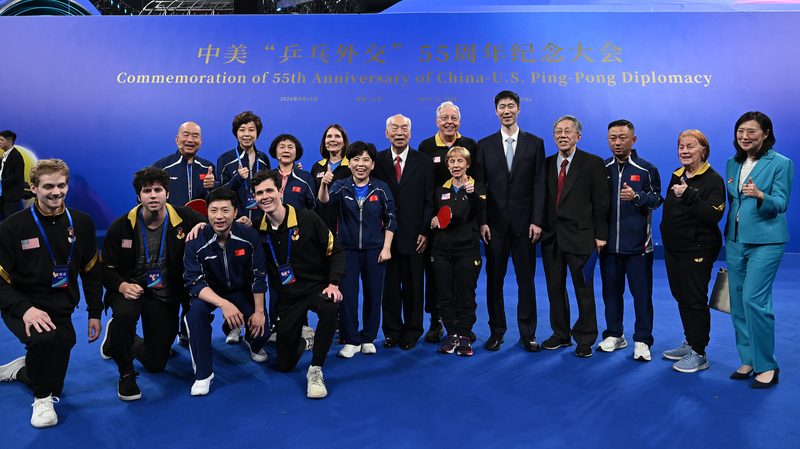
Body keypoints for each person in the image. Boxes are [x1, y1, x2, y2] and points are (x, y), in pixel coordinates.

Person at [0, 159, 103, 428]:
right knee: (44, 341)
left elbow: (91, 272)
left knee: (59, 359)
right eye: (48, 186)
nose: (55, 192)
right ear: (33, 188)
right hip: (23, 306)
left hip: (61, 307)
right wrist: (25, 310)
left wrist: (95, 312)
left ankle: (23, 371)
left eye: (61, 185)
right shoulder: (12, 227)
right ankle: (41, 400)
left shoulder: (82, 222)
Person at [99, 167, 205, 401]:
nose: (153, 195)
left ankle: (116, 337)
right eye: (147, 191)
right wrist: (122, 286)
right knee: (125, 316)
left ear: (167, 193)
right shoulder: (121, 226)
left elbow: (217, 226)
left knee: (157, 363)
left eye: (158, 189)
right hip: (129, 291)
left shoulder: (186, 218)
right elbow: (105, 268)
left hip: (164, 295)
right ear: (139, 196)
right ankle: (126, 373)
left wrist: (204, 226)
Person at [251, 170, 345, 398]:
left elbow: (337, 252)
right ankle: (304, 337)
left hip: (315, 288)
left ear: (280, 191)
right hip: (286, 297)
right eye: (259, 193)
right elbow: (225, 230)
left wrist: (333, 284)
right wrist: (199, 227)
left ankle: (316, 369)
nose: (265, 196)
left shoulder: (308, 219)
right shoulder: (256, 228)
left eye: (269, 190)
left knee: (330, 306)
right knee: (284, 364)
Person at [725, 111, 793, 388]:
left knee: (755, 300)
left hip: (766, 241)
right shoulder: (732, 163)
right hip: (735, 240)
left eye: (752, 131)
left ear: (766, 134)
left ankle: (767, 365)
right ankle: (749, 358)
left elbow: (781, 203)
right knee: (738, 303)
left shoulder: (780, 163)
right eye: (741, 131)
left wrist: (761, 195)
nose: (745, 136)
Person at [474, 90, 546, 352]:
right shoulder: (484, 145)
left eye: (511, 106)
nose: (506, 110)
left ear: (518, 109)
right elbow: (480, 186)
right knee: (494, 281)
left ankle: (528, 333)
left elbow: (539, 184)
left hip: (526, 225)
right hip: (494, 227)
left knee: (526, 281)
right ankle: (497, 331)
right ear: (496, 111)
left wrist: (537, 220)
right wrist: (482, 221)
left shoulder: (535, 143)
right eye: (502, 106)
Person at [183, 188, 269, 396]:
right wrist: (223, 304)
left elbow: (259, 276)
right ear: (207, 213)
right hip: (210, 292)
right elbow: (194, 282)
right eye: (213, 211)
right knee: (195, 313)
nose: (219, 216)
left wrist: (259, 312)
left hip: (241, 291)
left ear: (235, 212)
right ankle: (204, 374)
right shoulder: (195, 241)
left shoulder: (249, 236)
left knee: (263, 330)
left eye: (225, 210)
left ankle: (250, 338)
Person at [540, 115, 609, 358]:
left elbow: (602, 202)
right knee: (554, 289)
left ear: (578, 136)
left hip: (583, 238)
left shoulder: (592, 163)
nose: (563, 135)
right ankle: (561, 334)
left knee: (583, 290)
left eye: (568, 131)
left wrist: (601, 235)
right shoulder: (546, 164)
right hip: (551, 238)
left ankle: (585, 337)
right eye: (558, 131)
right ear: (553, 136)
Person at [318, 141, 396, 358]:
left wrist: (386, 247)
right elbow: (323, 202)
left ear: (372, 164)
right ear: (349, 163)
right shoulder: (341, 185)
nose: (360, 164)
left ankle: (369, 337)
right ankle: (350, 339)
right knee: (348, 296)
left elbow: (391, 218)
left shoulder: (381, 188)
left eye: (365, 160)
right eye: (355, 159)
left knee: (373, 295)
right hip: (346, 251)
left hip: (375, 251)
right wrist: (324, 184)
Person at [660, 129, 725, 373]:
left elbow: (714, 215)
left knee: (695, 300)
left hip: (697, 249)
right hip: (674, 249)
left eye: (691, 147)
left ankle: (700, 353)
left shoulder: (713, 179)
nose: (684, 151)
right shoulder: (677, 174)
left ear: (703, 151)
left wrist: (688, 194)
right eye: (681, 147)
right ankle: (690, 343)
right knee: (681, 297)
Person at [598, 120, 663, 362]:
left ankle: (643, 340)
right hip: (609, 248)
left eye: (622, 137)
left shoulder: (647, 169)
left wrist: (637, 196)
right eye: (612, 138)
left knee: (642, 296)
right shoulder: (601, 168)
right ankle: (615, 335)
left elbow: (657, 199)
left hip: (639, 248)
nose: (617, 142)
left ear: (633, 140)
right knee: (611, 294)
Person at [418, 101, 480, 343]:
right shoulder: (426, 146)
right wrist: (429, 221)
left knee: (463, 280)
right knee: (437, 279)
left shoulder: (471, 145)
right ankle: (437, 322)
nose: (449, 122)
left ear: (459, 122)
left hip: (465, 226)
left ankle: (461, 326)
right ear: (437, 122)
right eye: (444, 118)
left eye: (453, 118)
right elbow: (425, 187)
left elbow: (479, 185)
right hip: (436, 225)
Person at [372, 114, 435, 350]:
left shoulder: (425, 161)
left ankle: (412, 331)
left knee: (413, 288)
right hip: (384, 238)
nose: (400, 132)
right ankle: (392, 331)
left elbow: (430, 201)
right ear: (386, 133)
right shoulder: (376, 160)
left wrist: (425, 232)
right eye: (395, 128)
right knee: (388, 289)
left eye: (405, 128)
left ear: (410, 133)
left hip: (415, 236)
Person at [430, 146, 486, 356]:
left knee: (466, 296)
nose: (456, 165)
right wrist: (433, 220)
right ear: (447, 165)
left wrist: (472, 195)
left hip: (467, 250)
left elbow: (481, 210)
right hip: (441, 250)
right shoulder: (440, 190)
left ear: (467, 164)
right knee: (444, 295)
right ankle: (451, 335)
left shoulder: (477, 188)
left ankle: (464, 336)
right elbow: (435, 214)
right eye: (452, 161)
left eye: (460, 161)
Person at [217, 111, 271, 223]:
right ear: (236, 133)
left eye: (251, 130)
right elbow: (220, 193)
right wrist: (238, 178)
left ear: (257, 133)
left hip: (259, 224)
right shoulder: (225, 159)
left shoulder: (263, 159)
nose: (247, 134)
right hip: (234, 223)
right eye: (242, 130)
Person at [152, 122, 217, 207]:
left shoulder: (207, 167)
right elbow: (146, 197)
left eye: (195, 136)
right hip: (170, 219)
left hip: (201, 219)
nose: (190, 140)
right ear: (177, 139)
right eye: (186, 135)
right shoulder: (161, 167)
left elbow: (216, 199)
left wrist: (214, 186)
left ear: (200, 142)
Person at [311, 124, 352, 236]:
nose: (332, 139)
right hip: (320, 226)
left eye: (337, 136)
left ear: (344, 143)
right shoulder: (317, 166)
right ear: (324, 142)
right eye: (329, 136)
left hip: (346, 227)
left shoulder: (351, 166)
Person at [269, 133, 316, 212]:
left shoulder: (306, 178)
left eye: (290, 147)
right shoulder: (268, 177)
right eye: (282, 147)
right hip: (272, 223)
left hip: (298, 223)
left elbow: (313, 208)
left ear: (296, 152)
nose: (286, 150)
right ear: (275, 151)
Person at [0, 130, 27, 219]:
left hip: (11, 195)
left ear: (10, 142)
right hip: (3, 193)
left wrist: (2, 183)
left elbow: (18, 175)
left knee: (8, 219)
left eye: (1, 140)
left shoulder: (16, 156)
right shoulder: (4, 155)